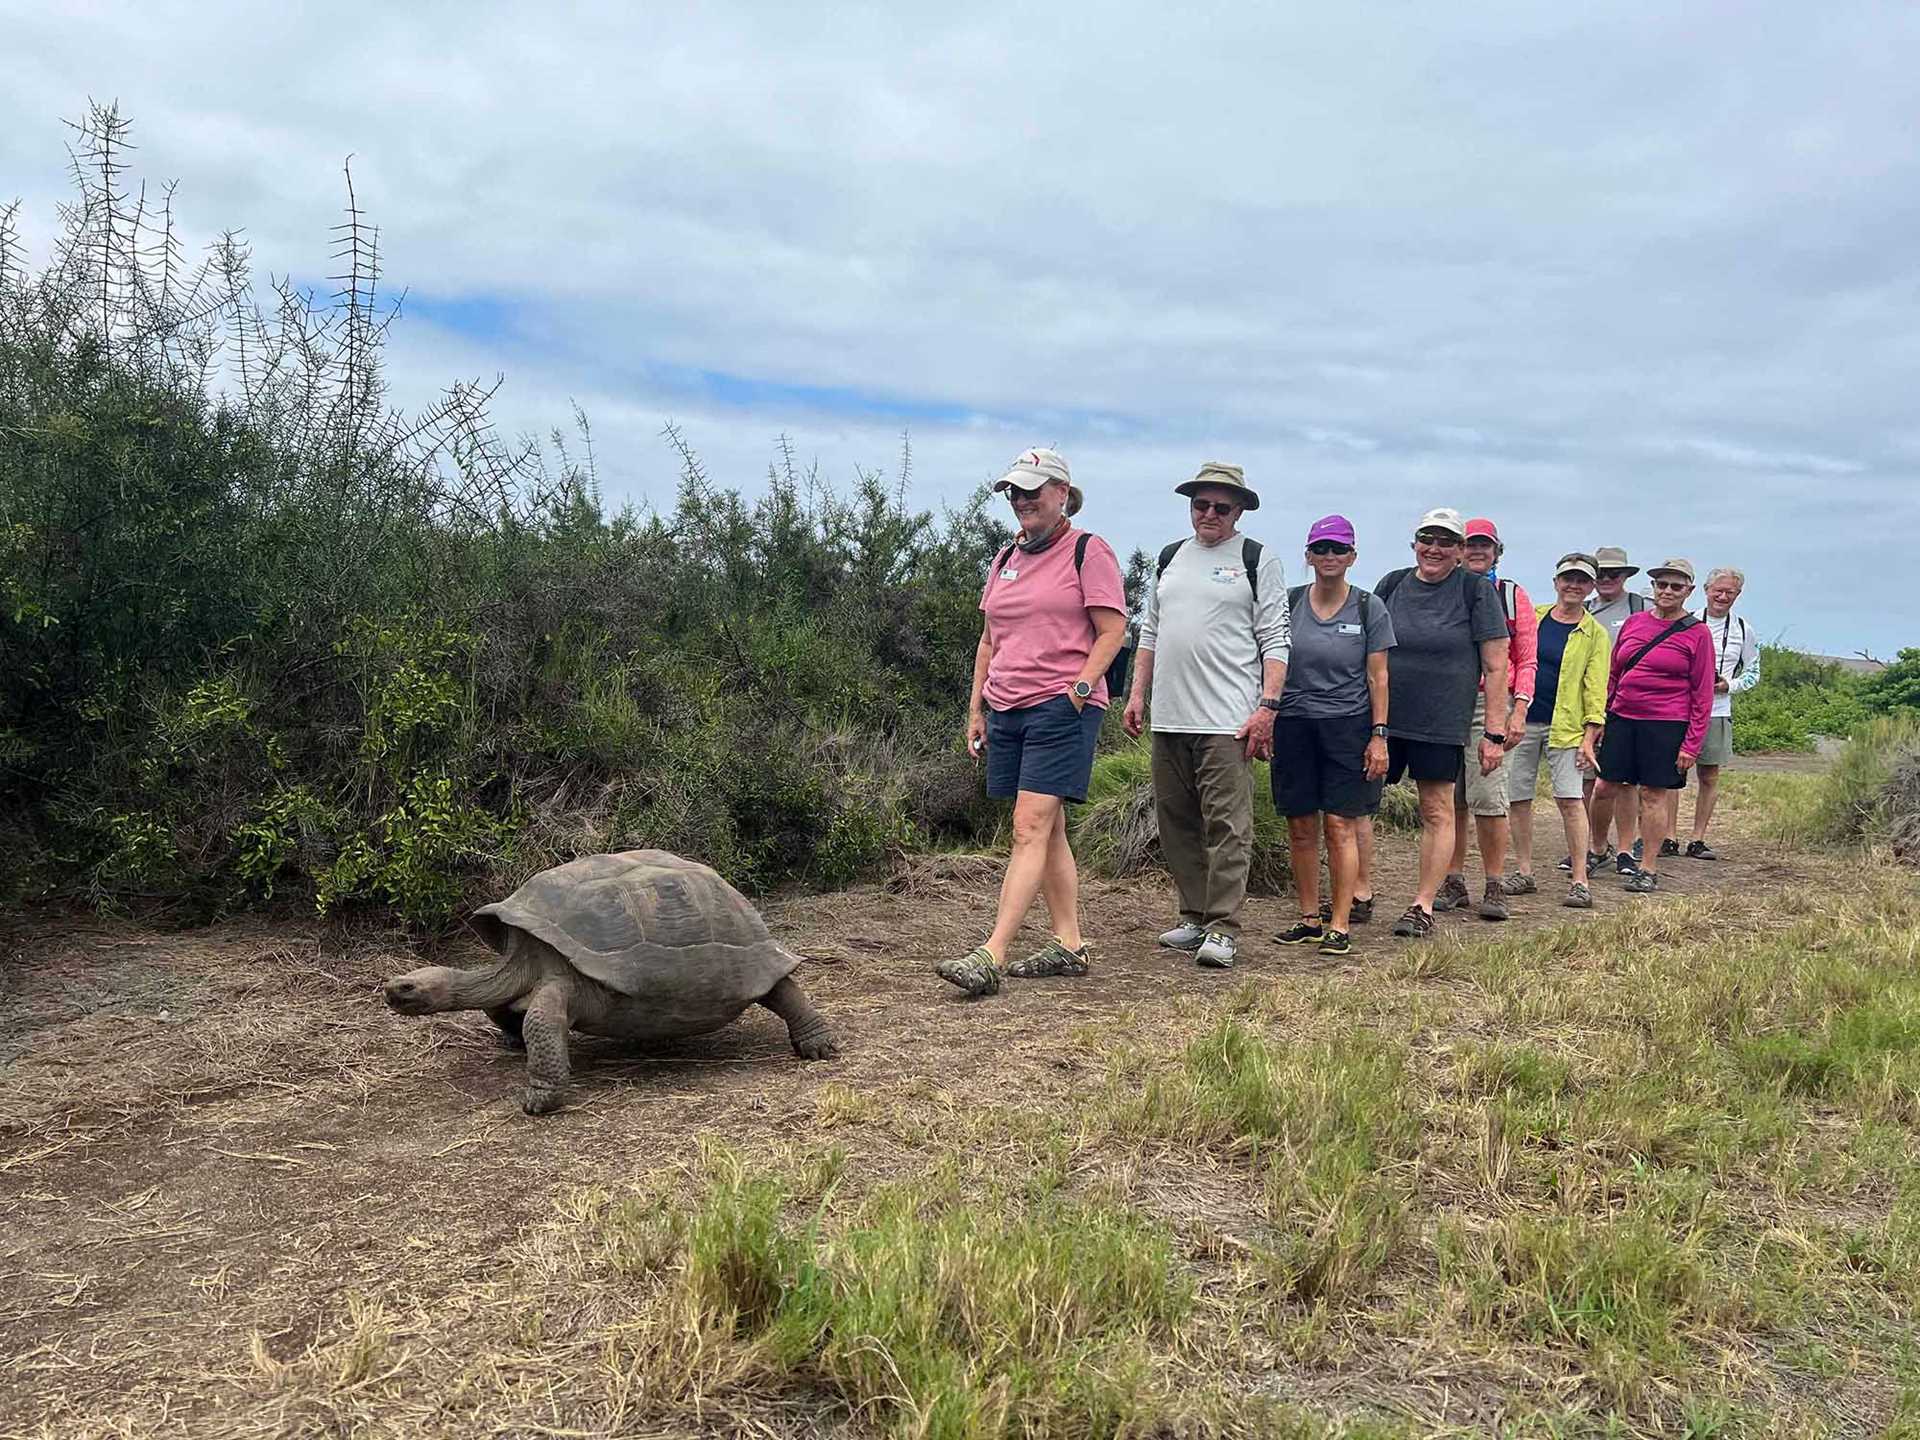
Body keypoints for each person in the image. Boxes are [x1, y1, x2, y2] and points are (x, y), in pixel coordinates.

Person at [940, 449, 1127, 996]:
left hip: (1060, 708)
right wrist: (976, 708)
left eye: (1033, 490)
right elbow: (989, 639)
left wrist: (1080, 690)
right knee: (1050, 830)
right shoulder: (1004, 558)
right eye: (1014, 493)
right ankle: (1069, 944)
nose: (1022, 500)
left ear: (1062, 493)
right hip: (1006, 706)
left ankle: (992, 953)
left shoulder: (1089, 551)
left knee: (1029, 827)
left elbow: (1112, 630)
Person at [1122, 463, 1290, 970]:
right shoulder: (1171, 557)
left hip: (1227, 720)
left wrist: (1267, 708)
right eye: (1201, 504)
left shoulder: (1257, 559)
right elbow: (1149, 631)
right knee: (1177, 822)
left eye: (1221, 506)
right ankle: (1193, 915)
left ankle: (1223, 926)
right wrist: (1135, 695)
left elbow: (1276, 639)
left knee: (1227, 825)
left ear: (1239, 510)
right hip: (1169, 717)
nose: (1209, 514)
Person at [1368, 508, 1510, 939]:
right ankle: (1358, 893)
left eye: (1447, 541)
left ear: (1461, 551)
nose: (1435, 548)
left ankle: (1422, 904)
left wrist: (1495, 733)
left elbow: (1497, 665)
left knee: (1436, 808)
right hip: (1383, 719)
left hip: (1442, 720)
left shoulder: (1475, 591)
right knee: (1357, 807)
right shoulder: (1391, 584)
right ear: (1414, 543)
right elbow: (1368, 648)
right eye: (1427, 538)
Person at [1265, 515, 1393, 957]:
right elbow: (1269, 662)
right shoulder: (1290, 603)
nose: (1329, 557)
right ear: (1308, 554)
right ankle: (1308, 918)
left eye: (1338, 549)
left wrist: (1379, 736)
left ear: (1352, 556)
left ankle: (1340, 923)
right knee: (1300, 825)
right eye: (1321, 549)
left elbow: (1378, 677)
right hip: (1294, 722)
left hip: (1348, 725)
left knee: (1340, 824)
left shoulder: (1368, 607)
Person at [1589, 558, 1715, 895]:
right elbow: (1615, 673)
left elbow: (1702, 691)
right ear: (1653, 588)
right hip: (1622, 716)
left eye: (1676, 586)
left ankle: (1648, 867)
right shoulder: (1634, 623)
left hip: (1667, 722)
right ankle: (1598, 849)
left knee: (1653, 794)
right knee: (1604, 787)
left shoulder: (1697, 633)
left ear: (1689, 591)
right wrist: (1601, 716)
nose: (1668, 591)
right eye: (1662, 584)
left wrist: (1691, 744)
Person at [1436, 517, 1534, 920]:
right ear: (1459, 549)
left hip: (1490, 704)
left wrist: (1519, 710)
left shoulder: (1511, 596)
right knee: (1450, 797)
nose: (1477, 551)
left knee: (1489, 800)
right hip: (1445, 702)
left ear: (1497, 551)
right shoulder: (1445, 592)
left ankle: (1494, 883)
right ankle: (1454, 880)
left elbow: (1527, 657)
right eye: (1470, 545)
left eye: (1485, 546)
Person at [1505, 554, 1611, 909]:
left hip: (1566, 727)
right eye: (1568, 578)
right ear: (1556, 582)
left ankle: (1579, 878)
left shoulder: (1595, 633)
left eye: (1582, 580)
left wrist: (1589, 736)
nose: (1574, 586)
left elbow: (1596, 689)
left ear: (1591, 587)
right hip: (1521, 722)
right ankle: (1524, 871)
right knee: (1518, 797)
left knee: (1570, 799)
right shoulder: (1532, 618)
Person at [1680, 566, 1759, 860]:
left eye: (1730, 592)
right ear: (1706, 590)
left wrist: (1730, 685)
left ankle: (1697, 839)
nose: (1723, 596)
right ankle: (1667, 836)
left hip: (1717, 709)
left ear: (1738, 595)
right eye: (1718, 590)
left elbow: (1754, 671)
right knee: (1670, 774)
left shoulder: (1742, 629)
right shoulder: (1687, 622)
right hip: (1680, 707)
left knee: (1709, 775)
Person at [1584, 546, 1652, 876]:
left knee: (1625, 782)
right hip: (1588, 705)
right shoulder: (1582, 608)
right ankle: (1592, 845)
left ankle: (1625, 849)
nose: (1607, 579)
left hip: (1627, 705)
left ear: (1626, 576)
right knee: (1587, 781)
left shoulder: (1642, 608)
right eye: (1600, 574)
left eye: (1614, 573)